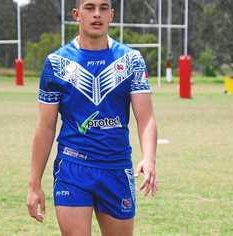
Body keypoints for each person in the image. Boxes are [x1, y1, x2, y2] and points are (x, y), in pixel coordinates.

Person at [27, 0, 158, 235]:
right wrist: (34, 184)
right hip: (73, 167)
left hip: (116, 167)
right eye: (89, 7)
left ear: (111, 15)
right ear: (77, 14)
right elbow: (46, 127)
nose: (97, 14)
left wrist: (149, 158)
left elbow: (146, 117)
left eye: (103, 8)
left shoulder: (130, 61)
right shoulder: (56, 64)